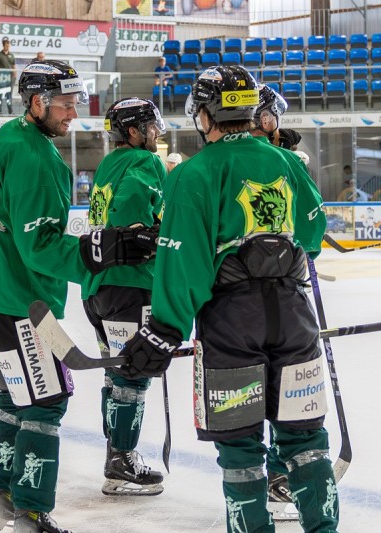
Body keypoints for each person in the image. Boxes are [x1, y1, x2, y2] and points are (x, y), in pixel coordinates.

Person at [117, 65, 339, 533]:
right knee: (306, 438)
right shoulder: (286, 162)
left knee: (240, 448)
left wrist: (163, 329)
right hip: (295, 315)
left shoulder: (193, 174)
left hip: (232, 320)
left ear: (203, 114)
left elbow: (184, 264)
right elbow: (314, 233)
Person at [0, 60, 158, 533]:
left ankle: (3, 497)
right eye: (66, 105)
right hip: (16, 300)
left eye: (76, 103)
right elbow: (39, 246)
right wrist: (101, 252)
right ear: (37, 102)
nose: (74, 114)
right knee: (46, 401)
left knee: (16, 397)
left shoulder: (8, 136)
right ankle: (30, 513)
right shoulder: (35, 156)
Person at [249, 83, 328, 522]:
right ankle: (281, 477)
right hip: (283, 298)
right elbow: (311, 232)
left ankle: (255, 482)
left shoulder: (211, 163)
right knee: (291, 391)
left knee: (244, 396)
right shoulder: (284, 161)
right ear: (264, 119)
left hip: (224, 308)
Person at [81, 97, 167, 497]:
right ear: (133, 132)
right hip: (130, 285)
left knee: (117, 370)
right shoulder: (145, 163)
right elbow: (132, 211)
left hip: (98, 288)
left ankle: (117, 457)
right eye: (150, 126)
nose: (156, 132)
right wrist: (145, 233)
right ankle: (122, 460)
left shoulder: (108, 163)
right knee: (134, 371)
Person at [0, 37, 16, 115]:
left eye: (9, 45)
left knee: (9, 94)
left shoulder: (11, 55)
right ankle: (0, 110)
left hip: (10, 78)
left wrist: (15, 75)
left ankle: (10, 110)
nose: (8, 47)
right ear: (3, 46)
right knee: (0, 93)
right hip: (2, 77)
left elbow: (14, 67)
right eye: (6, 45)